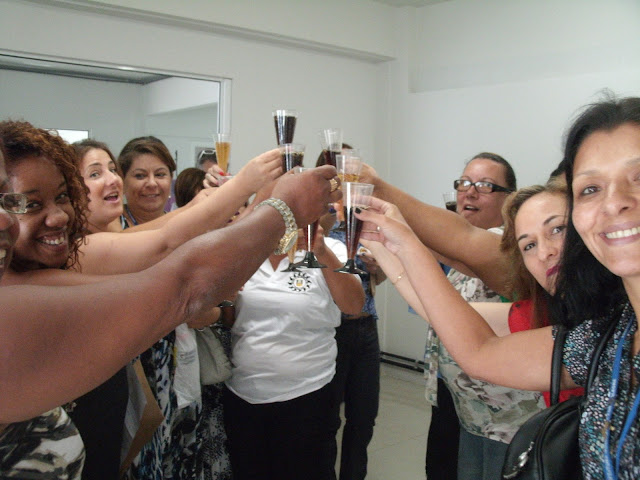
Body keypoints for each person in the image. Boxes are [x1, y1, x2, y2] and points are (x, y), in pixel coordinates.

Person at [0, 136, 343, 478]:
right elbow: (181, 278)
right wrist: (281, 207)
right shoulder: (18, 298)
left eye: (62, 197)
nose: (57, 216)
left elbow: (172, 249)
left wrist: (259, 202)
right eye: (26, 203)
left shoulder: (56, 265)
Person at [356, 95, 640, 479]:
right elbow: (472, 340)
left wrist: (390, 214)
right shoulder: (607, 336)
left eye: (557, 229)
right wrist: (388, 245)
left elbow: (464, 244)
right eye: (591, 188)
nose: (614, 203)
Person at [223, 223, 365, 480]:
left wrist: (322, 252)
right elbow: (232, 321)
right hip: (245, 394)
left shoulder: (332, 248)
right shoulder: (245, 249)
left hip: (308, 395)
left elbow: (354, 306)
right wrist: (226, 299)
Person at [317, 147, 386, 480]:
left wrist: (376, 267)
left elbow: (376, 280)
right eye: (339, 168)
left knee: (364, 418)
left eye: (351, 168)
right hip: (333, 331)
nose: (347, 175)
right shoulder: (318, 222)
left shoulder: (364, 218)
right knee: (328, 419)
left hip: (366, 329)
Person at [174, 166, 234, 480]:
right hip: (192, 359)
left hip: (221, 358)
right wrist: (220, 311)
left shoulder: (225, 242)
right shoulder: (186, 246)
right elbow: (194, 314)